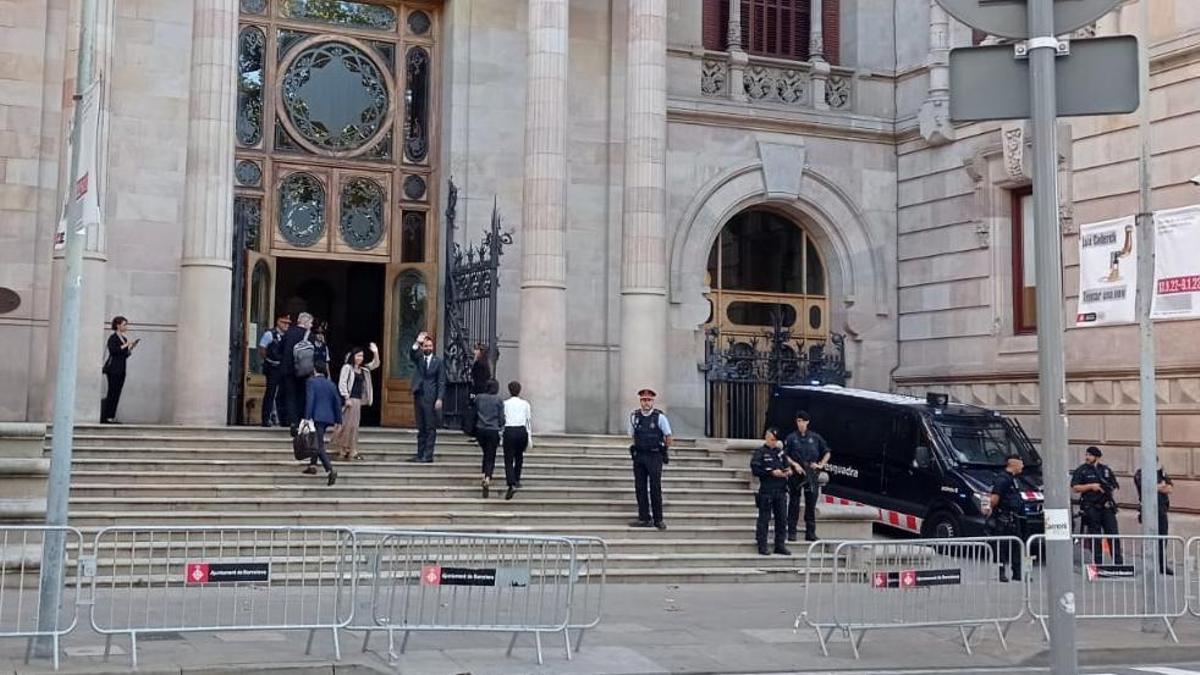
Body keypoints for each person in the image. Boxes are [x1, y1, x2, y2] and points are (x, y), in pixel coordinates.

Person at [783, 410, 831, 542]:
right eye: (798, 421)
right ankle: (792, 532)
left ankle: (810, 533)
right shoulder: (791, 438)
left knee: (811, 503)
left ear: (807, 422)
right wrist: (794, 464)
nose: (800, 424)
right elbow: (785, 454)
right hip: (797, 472)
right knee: (794, 502)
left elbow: (827, 452)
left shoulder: (815, 438)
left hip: (811, 472)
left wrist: (821, 464)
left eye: (802, 421)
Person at [628, 388, 672, 531]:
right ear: (640, 401)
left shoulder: (659, 417)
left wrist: (664, 450)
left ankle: (658, 519)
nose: (646, 402)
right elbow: (632, 435)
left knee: (655, 487)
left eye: (648, 400)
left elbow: (668, 436)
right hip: (640, 455)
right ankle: (644, 517)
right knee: (640, 487)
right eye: (643, 400)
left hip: (654, 455)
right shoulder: (635, 416)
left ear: (652, 401)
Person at [1072, 446, 1123, 565]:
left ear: (1097, 457)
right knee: (1095, 537)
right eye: (1087, 455)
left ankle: (1118, 564)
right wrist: (1091, 486)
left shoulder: (1105, 470)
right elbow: (1075, 487)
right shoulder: (1082, 470)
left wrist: (1108, 493)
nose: (1087, 457)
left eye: (1090, 455)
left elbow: (1114, 485)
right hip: (1091, 507)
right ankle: (1098, 564)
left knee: (1113, 534)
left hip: (1106, 507)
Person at [330, 343, 380, 461]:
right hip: (350, 400)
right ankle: (343, 449)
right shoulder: (347, 368)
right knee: (346, 425)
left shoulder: (363, 369)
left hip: (358, 400)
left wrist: (375, 352)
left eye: (362, 356)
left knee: (354, 426)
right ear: (353, 356)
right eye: (358, 356)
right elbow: (342, 383)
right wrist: (346, 397)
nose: (360, 358)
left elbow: (375, 364)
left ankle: (352, 449)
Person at [751, 427, 793, 556]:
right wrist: (770, 472)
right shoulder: (760, 452)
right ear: (767, 438)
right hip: (767, 490)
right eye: (772, 439)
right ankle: (762, 545)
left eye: (775, 440)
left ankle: (780, 545)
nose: (773, 442)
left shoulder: (780, 453)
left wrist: (788, 471)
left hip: (781, 490)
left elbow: (787, 467)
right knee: (764, 519)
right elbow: (755, 470)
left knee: (782, 519)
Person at [407, 331, 444, 463]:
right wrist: (417, 342)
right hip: (419, 396)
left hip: (431, 397)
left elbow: (441, 381)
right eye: (425, 346)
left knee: (430, 427)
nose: (428, 348)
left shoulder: (438, 362)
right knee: (421, 427)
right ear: (422, 347)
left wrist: (439, 398)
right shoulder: (419, 359)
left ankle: (428, 455)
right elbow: (411, 354)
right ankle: (420, 454)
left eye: (430, 346)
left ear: (433, 347)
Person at [988, 454, 1026, 582]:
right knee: (1001, 546)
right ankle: (1000, 573)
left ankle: (1017, 573)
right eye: (1021, 463)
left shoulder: (1014, 479)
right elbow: (994, 498)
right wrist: (990, 510)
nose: (1023, 466)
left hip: (1014, 517)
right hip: (1003, 517)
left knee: (1017, 545)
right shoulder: (1002, 479)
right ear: (1013, 464)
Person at [302, 361, 340, 486]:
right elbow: (337, 402)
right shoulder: (331, 384)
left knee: (318, 445)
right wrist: (339, 420)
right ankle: (313, 465)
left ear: (314, 370)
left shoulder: (311, 382)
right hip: (327, 417)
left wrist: (307, 417)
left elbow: (310, 400)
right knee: (317, 440)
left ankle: (330, 469)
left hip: (316, 416)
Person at [1134, 461, 1174, 575]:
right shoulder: (1140, 473)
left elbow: (1170, 488)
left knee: (1163, 539)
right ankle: (1148, 564)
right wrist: (1159, 486)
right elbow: (1144, 488)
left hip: (1161, 509)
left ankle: (1162, 565)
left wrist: (1156, 487)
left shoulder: (1160, 473)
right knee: (1149, 538)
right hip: (1147, 510)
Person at [101, 316, 140, 424]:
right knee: (112, 392)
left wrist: (131, 348)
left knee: (117, 393)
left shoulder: (124, 339)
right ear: (118, 325)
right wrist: (125, 345)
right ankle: (107, 416)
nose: (126, 326)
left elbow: (124, 355)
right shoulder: (113, 338)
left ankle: (112, 416)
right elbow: (113, 351)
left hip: (121, 369)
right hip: (113, 369)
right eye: (124, 324)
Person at [280, 312, 314, 434]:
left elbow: (280, 348)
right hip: (304, 371)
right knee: (302, 396)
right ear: (305, 322)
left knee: (290, 396)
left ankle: (292, 422)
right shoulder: (309, 335)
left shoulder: (288, 333)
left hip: (288, 370)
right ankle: (301, 422)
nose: (311, 325)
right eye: (310, 323)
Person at [257, 312, 291, 427]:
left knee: (283, 393)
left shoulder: (287, 336)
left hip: (282, 367)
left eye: (288, 323)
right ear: (278, 322)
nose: (286, 325)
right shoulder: (269, 334)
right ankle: (266, 418)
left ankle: (282, 418)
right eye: (284, 323)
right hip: (272, 367)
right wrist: (268, 359)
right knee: (270, 393)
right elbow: (262, 349)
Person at [502, 380, 533, 500]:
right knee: (519, 456)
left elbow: (503, 419)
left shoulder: (505, 403)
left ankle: (511, 482)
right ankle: (517, 479)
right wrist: (529, 436)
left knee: (508, 458)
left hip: (509, 430)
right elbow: (528, 420)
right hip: (521, 431)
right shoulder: (525, 404)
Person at [473, 379, 505, 498]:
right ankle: (487, 477)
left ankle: (484, 474)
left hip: (480, 429)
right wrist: (501, 425)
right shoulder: (498, 400)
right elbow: (501, 417)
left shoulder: (479, 398)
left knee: (486, 453)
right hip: (493, 430)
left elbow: (474, 412)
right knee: (491, 455)